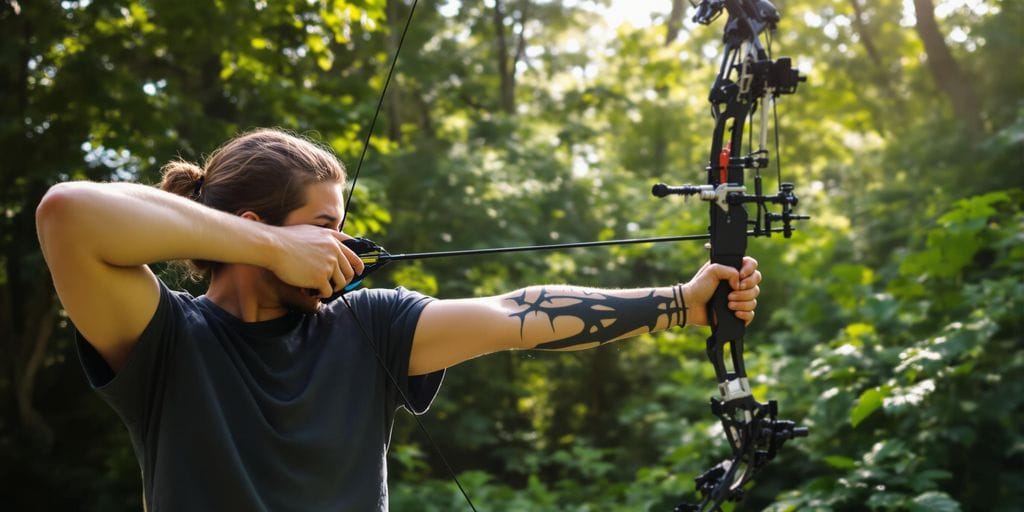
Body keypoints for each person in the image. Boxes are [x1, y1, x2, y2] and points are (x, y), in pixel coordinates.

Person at [35, 128, 762, 510]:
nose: (342, 246)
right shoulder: (165, 339)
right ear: (260, 227)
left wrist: (680, 304)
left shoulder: (368, 327)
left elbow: (516, 315)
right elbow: (69, 214)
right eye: (323, 226)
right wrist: (271, 248)